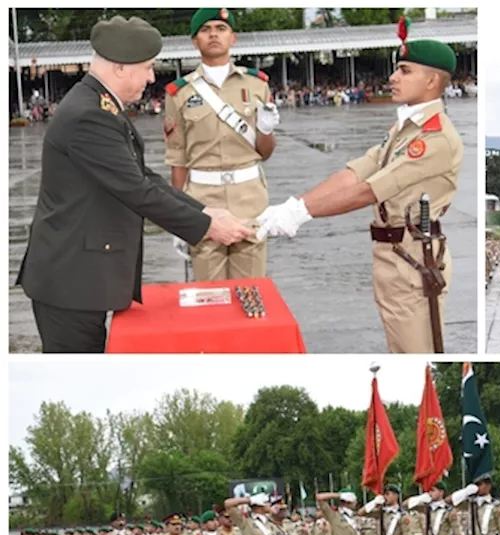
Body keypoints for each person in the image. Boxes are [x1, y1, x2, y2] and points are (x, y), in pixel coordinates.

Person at [15, 16, 256, 353]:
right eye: (146, 68)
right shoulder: (90, 115)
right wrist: (209, 227)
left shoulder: (100, 105)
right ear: (120, 68)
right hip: (71, 282)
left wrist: (204, 210)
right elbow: (136, 191)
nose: (151, 77)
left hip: (81, 276)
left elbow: (143, 177)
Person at [256, 33, 462, 353]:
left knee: (414, 354)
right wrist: (295, 204)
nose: (393, 77)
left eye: (405, 70)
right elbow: (354, 173)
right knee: (400, 349)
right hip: (396, 256)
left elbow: (369, 191)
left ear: (432, 80)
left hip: (415, 259)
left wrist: (302, 214)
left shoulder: (433, 138)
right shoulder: (405, 128)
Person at [165, 8, 278, 281]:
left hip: (249, 196)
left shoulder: (257, 85)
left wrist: (265, 129)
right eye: (205, 30)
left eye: (221, 28)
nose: (213, 34)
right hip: (202, 200)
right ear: (195, 41)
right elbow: (178, 161)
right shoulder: (178, 93)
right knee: (209, 296)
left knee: (250, 293)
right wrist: (179, 221)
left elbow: (265, 152)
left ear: (233, 38)